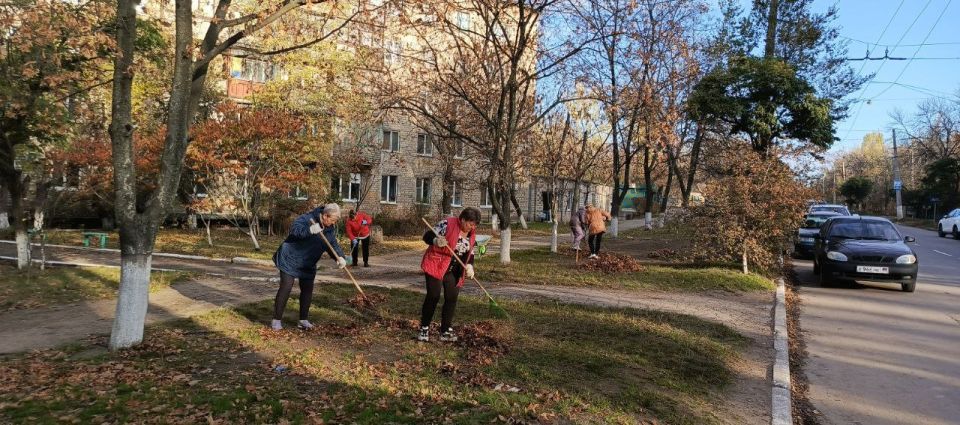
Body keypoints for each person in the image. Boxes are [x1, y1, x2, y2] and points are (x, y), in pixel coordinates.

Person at [271, 203, 347, 331]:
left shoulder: (329, 228)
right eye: (333, 220)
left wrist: (340, 257)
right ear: (325, 216)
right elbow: (294, 231)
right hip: (290, 258)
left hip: (308, 262)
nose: (334, 223)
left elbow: (331, 243)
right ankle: (276, 320)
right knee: (286, 287)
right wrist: (310, 230)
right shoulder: (307, 219)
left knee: (307, 289)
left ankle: (303, 320)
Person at [418, 207, 481, 342]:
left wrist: (470, 265)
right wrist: (436, 241)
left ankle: (445, 331)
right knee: (433, 296)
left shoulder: (472, 234)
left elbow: (470, 253)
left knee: (451, 298)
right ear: (462, 219)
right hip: (437, 264)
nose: (473, 227)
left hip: (454, 269)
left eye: (475, 224)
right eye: (471, 223)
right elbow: (427, 236)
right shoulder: (448, 224)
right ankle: (424, 328)